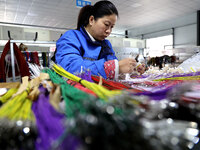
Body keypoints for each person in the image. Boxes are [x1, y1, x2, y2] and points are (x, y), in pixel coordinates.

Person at [55, 0, 145, 80]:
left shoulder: (106, 45)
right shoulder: (71, 37)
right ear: (91, 20)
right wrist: (114, 67)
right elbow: (69, 68)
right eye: (106, 24)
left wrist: (131, 69)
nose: (109, 31)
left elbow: (115, 69)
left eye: (112, 27)